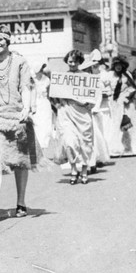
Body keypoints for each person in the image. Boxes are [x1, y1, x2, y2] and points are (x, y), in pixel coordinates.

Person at [0, 25, 42, 223]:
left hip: (16, 118)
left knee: (20, 161)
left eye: (0, 40)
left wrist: (26, 108)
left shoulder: (19, 62)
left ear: (7, 41)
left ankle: (21, 202)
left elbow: (25, 86)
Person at [53, 50, 94, 184]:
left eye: (75, 61)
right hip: (67, 112)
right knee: (70, 142)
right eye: (70, 61)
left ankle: (84, 170)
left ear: (79, 62)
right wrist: (58, 104)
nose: (72, 64)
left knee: (85, 143)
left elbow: (94, 95)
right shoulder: (62, 77)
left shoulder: (87, 76)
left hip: (83, 113)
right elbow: (54, 95)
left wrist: (89, 103)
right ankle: (73, 169)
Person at [106, 56, 136, 157]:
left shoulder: (126, 75)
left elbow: (132, 87)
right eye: (116, 65)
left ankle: (132, 148)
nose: (118, 67)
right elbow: (106, 87)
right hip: (114, 102)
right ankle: (116, 149)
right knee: (116, 124)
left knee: (130, 124)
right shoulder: (110, 75)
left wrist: (128, 95)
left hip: (127, 102)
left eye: (120, 65)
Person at [80, 49, 111, 172]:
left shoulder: (95, 80)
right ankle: (87, 162)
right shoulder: (81, 80)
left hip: (91, 111)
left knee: (93, 138)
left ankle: (93, 162)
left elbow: (97, 96)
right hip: (81, 112)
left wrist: (94, 108)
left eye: (89, 69)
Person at [32, 62, 54, 153]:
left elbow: (49, 94)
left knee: (46, 124)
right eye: (39, 69)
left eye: (42, 69)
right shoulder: (31, 79)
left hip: (45, 103)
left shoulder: (47, 80)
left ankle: (44, 146)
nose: (41, 71)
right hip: (35, 103)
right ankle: (38, 146)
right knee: (37, 124)